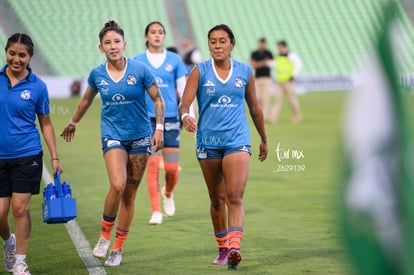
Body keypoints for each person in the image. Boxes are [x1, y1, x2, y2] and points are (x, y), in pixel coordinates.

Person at [60, 20, 164, 267]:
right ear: (101, 48)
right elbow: (86, 100)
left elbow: (158, 100)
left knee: (129, 194)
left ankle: (118, 248)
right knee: (117, 184)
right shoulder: (97, 74)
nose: (113, 46)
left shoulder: (140, 70)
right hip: (112, 134)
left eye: (117, 41)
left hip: (140, 136)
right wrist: (73, 122)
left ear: (124, 44)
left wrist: (159, 128)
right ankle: (105, 235)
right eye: (108, 43)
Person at [179, 24, 268, 270]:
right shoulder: (199, 71)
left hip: (237, 140)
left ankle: (234, 248)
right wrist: (186, 116)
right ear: (208, 45)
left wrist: (264, 138)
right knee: (216, 199)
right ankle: (222, 248)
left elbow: (255, 109)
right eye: (213, 41)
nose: (217, 46)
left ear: (232, 44)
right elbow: (184, 103)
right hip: (208, 142)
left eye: (222, 41)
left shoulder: (245, 72)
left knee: (234, 196)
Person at [0, 33, 63, 275]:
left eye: (22, 55)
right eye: (12, 53)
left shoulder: (38, 86)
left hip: (28, 155)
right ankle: (9, 243)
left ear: (30, 56)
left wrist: (54, 157)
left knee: (20, 209)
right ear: (6, 52)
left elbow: (45, 122)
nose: (16, 59)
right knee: (1, 214)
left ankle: (20, 262)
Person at [134, 21, 191, 225]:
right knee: (152, 166)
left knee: (172, 169)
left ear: (164, 36)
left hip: (171, 118)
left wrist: (189, 114)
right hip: (146, 120)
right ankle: (156, 211)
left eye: (160, 32)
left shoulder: (174, 60)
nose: (157, 35)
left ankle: (168, 192)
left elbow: (184, 90)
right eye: (153, 32)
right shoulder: (137, 61)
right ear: (146, 36)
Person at [268, 40, 303, 123]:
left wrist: (294, 75)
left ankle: (297, 115)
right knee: (277, 100)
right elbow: (274, 64)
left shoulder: (290, 55)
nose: (278, 48)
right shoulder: (278, 56)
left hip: (288, 81)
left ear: (283, 46)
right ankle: (273, 117)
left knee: (291, 100)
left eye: (279, 46)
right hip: (280, 81)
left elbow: (299, 64)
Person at [250, 38, 273, 121]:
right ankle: (263, 114)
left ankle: (265, 116)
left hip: (266, 78)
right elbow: (252, 64)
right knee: (257, 98)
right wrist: (263, 63)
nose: (261, 45)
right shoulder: (254, 53)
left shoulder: (269, 53)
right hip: (257, 78)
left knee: (265, 98)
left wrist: (258, 64)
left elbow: (271, 64)